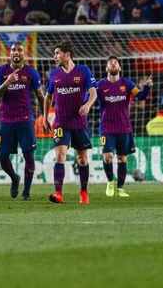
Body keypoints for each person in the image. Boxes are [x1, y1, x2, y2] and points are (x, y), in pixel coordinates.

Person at [43, 41, 97, 204]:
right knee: (60, 155)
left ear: (67, 55)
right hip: (61, 122)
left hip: (79, 122)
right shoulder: (54, 74)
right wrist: (45, 118)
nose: (55, 57)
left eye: (57, 53)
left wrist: (87, 105)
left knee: (82, 159)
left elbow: (94, 92)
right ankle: (58, 193)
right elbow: (48, 96)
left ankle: (84, 192)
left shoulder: (84, 71)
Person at [0, 42, 44, 200]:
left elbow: (40, 96)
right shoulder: (2, 70)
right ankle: (14, 178)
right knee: (2, 157)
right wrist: (7, 83)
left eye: (19, 50)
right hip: (6, 120)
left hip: (25, 120)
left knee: (29, 155)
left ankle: (26, 192)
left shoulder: (31, 73)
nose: (16, 52)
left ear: (24, 54)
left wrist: (46, 116)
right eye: (13, 50)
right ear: (10, 53)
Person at [96, 56, 153, 197]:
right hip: (107, 127)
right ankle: (110, 182)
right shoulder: (100, 85)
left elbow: (140, 96)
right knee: (108, 156)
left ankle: (120, 188)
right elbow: (88, 97)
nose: (113, 64)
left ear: (119, 67)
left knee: (122, 159)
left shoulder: (126, 84)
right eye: (110, 63)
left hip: (124, 127)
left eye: (115, 62)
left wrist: (147, 87)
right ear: (106, 68)